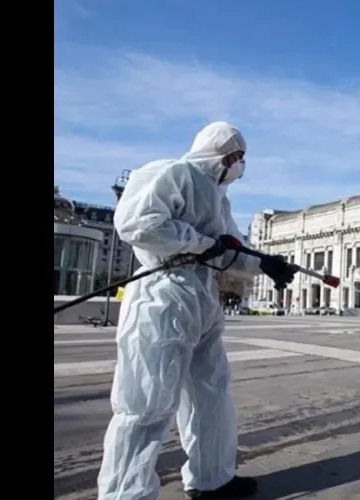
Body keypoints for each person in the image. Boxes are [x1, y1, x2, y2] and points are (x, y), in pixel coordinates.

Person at [97, 122, 296, 500]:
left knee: (211, 394)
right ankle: (125, 494)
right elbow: (136, 224)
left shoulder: (219, 199)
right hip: (163, 295)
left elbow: (229, 249)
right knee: (146, 402)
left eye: (242, 160)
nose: (239, 166)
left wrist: (264, 264)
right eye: (235, 157)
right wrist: (203, 243)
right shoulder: (170, 173)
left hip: (202, 298)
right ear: (217, 151)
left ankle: (212, 479)